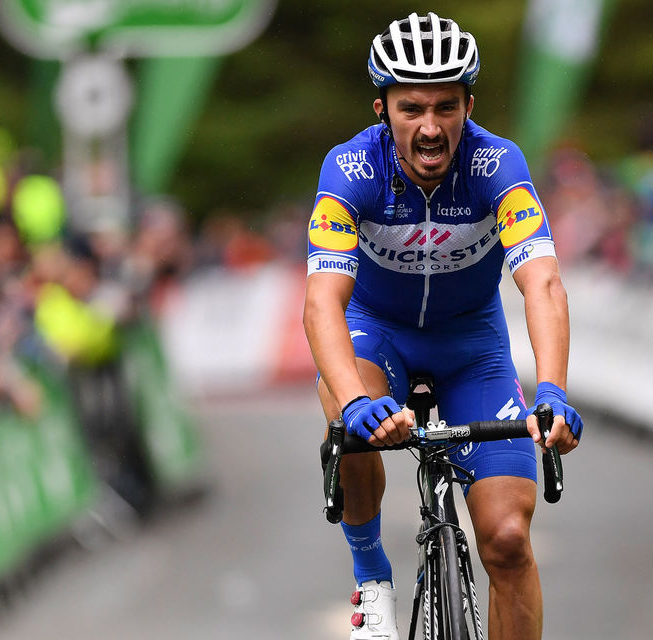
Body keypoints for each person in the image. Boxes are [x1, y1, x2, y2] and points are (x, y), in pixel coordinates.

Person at [302, 12, 583, 640]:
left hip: (471, 349)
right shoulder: (350, 171)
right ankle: (373, 579)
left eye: (446, 107)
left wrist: (554, 390)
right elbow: (322, 304)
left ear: (468, 105)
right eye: (411, 109)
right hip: (377, 332)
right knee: (350, 426)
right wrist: (354, 403)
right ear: (382, 108)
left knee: (508, 539)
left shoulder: (497, 166)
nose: (430, 127)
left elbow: (542, 281)